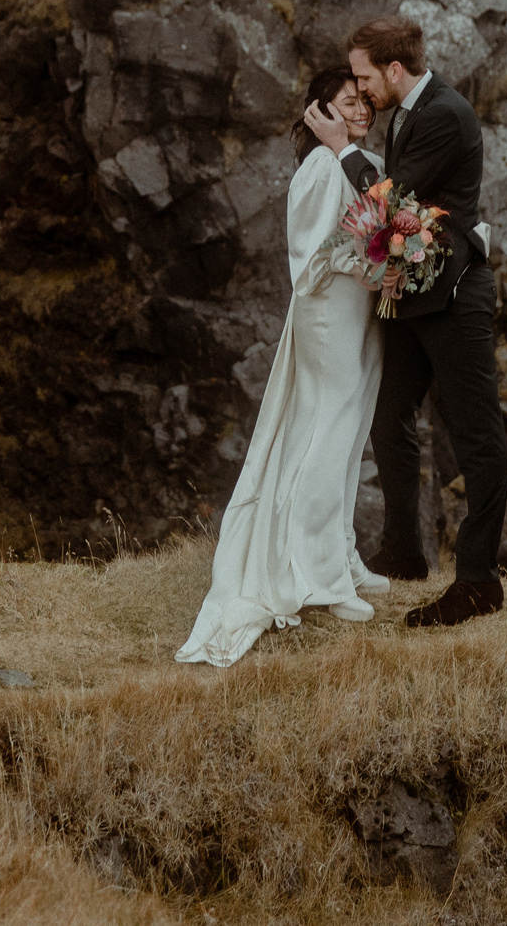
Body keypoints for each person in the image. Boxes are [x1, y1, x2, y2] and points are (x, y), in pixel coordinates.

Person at [175, 68, 393, 666]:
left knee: (348, 435)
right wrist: (371, 262)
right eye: (348, 103)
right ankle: (318, 573)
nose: (362, 110)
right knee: (329, 429)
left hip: (360, 312)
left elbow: (375, 219)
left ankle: (342, 554)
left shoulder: (354, 161)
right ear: (320, 112)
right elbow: (311, 253)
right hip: (329, 313)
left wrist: (387, 262)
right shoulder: (321, 168)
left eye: (365, 102)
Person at [302, 16, 507, 630]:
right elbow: (408, 214)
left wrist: (341, 150)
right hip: (417, 292)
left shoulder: (445, 113)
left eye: (364, 76)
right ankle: (404, 550)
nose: (360, 89)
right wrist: (390, 264)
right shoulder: (408, 113)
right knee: (390, 414)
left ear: (394, 70)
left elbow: (388, 200)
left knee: (477, 436)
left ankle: (477, 582)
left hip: (458, 296)